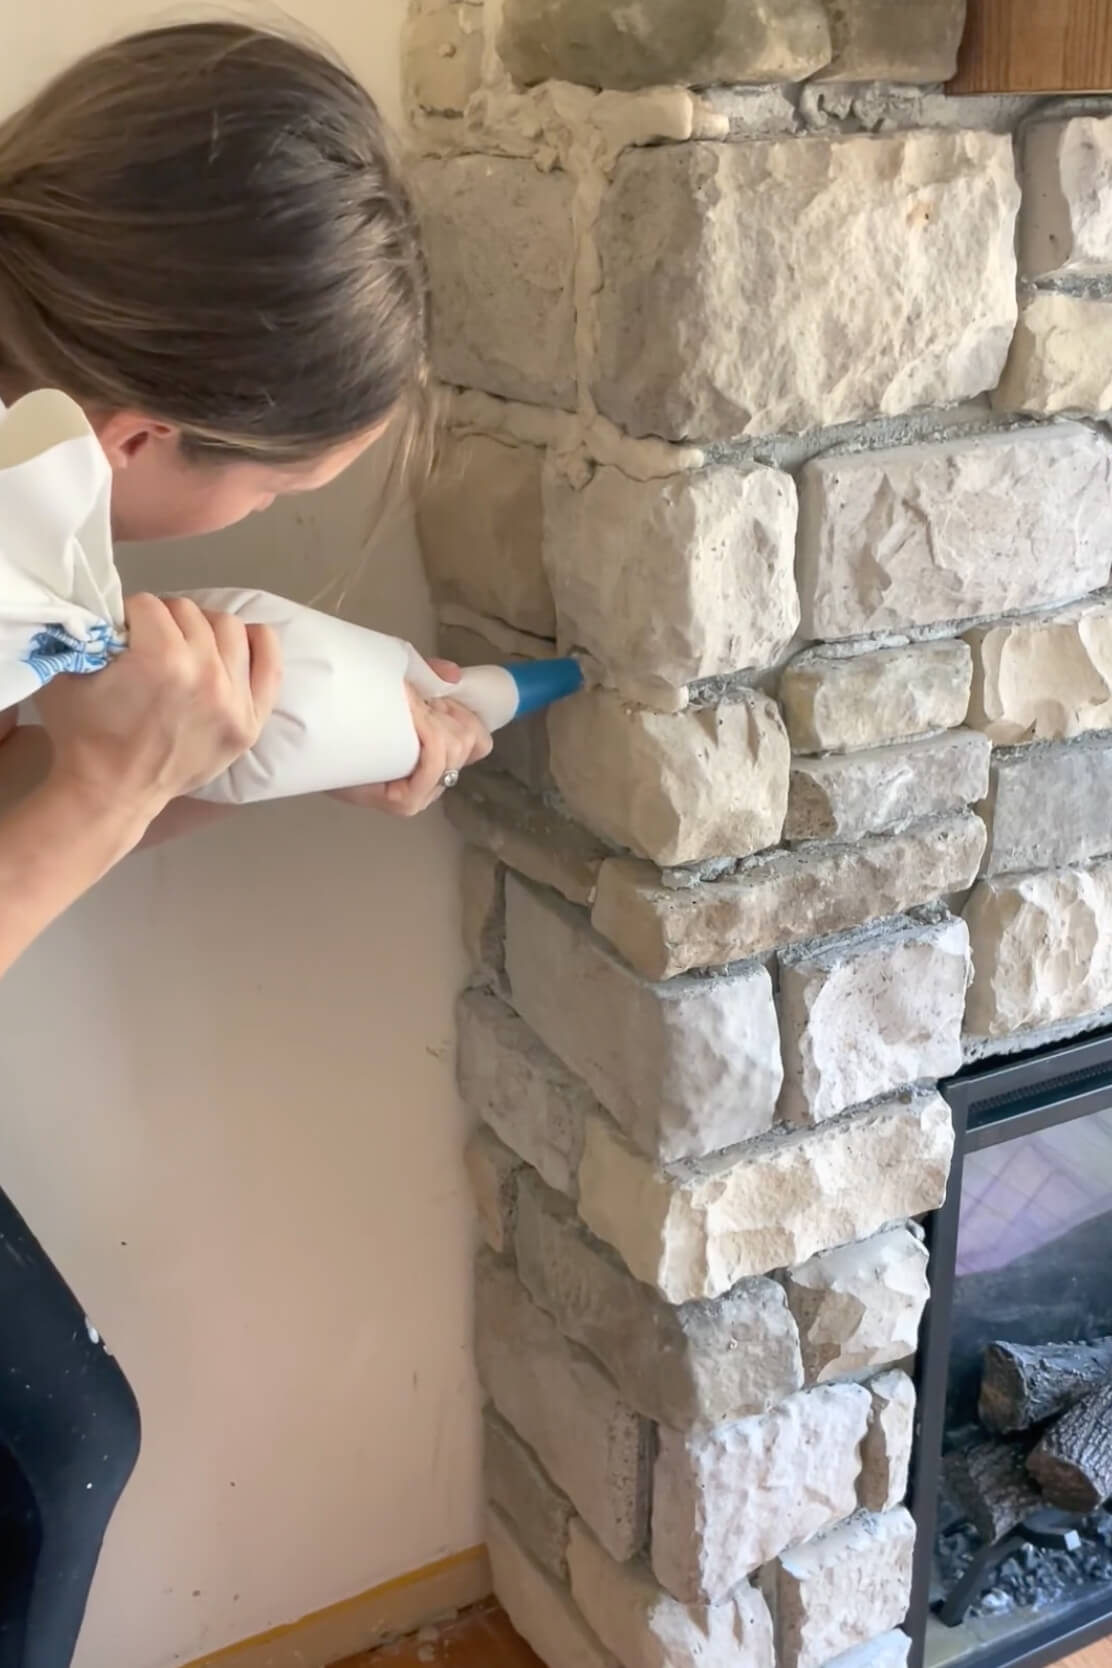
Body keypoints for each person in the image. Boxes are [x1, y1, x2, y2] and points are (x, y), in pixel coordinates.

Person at [0, 22, 491, 1665]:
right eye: (275, 493)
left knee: (58, 1448)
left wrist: (235, 766)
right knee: (46, 1463)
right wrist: (92, 795)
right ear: (139, 434)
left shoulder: (35, 508)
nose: (260, 527)